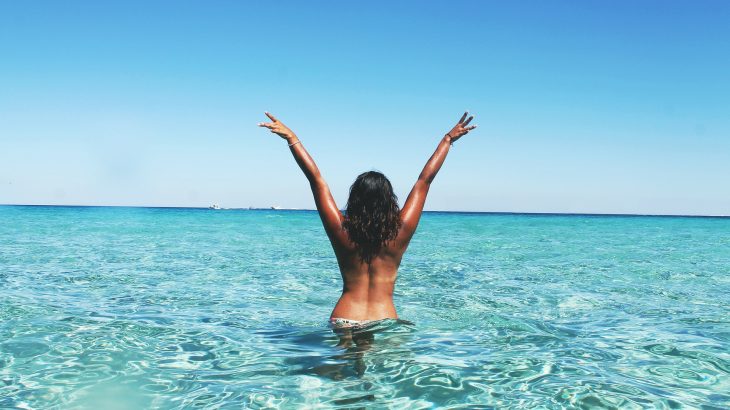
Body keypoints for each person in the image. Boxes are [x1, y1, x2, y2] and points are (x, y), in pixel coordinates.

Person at [258, 112, 477, 337]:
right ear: (389, 200)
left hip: (344, 318)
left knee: (340, 369)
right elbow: (424, 181)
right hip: (383, 319)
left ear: (355, 199)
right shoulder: (400, 232)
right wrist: (447, 140)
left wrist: (292, 139)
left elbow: (316, 180)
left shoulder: (341, 231)